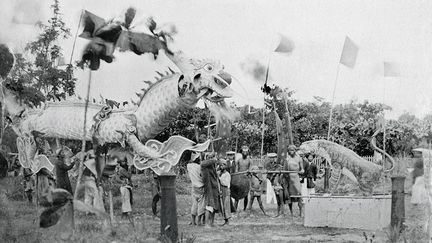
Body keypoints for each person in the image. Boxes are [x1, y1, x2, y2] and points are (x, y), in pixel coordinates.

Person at [283, 145, 304, 217]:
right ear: (288, 151)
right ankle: (291, 212)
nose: (291, 152)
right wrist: (286, 176)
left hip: (296, 177)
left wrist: (301, 171)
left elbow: (302, 169)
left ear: (295, 151)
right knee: (289, 195)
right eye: (290, 150)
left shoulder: (299, 159)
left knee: (299, 194)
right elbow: (284, 170)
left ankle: (301, 212)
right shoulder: (287, 159)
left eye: (292, 150)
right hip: (289, 178)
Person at [201, 152, 220, 228]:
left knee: (215, 205)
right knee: (209, 205)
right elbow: (203, 163)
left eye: (211, 157)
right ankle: (206, 224)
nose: (210, 159)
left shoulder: (212, 167)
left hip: (214, 188)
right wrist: (213, 159)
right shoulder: (204, 166)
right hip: (209, 188)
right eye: (209, 157)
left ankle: (211, 222)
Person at [187, 152, 205, 226]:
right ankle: (199, 221)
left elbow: (189, 162)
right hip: (200, 186)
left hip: (194, 186)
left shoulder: (189, 166)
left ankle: (193, 221)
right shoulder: (200, 167)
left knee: (194, 203)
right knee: (201, 204)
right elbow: (202, 176)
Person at [218, 159, 231, 225]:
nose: (221, 167)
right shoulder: (220, 173)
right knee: (222, 205)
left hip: (226, 190)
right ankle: (225, 220)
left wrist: (220, 179)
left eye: (222, 165)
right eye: (220, 165)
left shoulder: (227, 174)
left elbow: (226, 183)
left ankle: (227, 220)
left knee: (226, 205)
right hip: (222, 190)